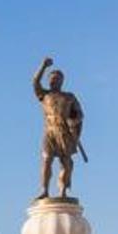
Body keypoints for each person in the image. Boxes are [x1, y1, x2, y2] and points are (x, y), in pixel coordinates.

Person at [33, 56, 85, 199]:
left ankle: (63, 191)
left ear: (62, 81)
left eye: (57, 79)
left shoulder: (69, 97)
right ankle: (44, 190)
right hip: (50, 131)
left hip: (65, 133)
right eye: (52, 79)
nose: (54, 81)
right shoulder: (44, 95)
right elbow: (35, 82)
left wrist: (73, 121)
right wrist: (43, 66)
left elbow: (80, 114)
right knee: (46, 159)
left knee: (66, 162)